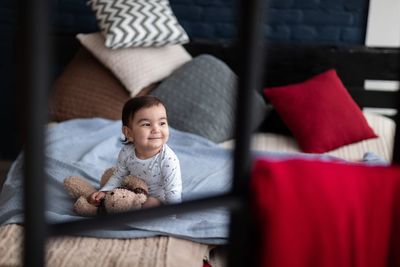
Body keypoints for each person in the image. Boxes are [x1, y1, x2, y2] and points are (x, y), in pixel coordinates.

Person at [88, 96, 182, 208]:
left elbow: (173, 193)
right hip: (133, 193)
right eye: (146, 124)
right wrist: (104, 191)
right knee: (114, 194)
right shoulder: (127, 152)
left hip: (158, 200)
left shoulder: (168, 159)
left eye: (162, 123)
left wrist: (172, 215)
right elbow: (119, 175)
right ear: (129, 133)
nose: (156, 129)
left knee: (151, 203)